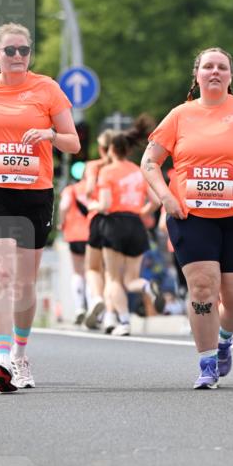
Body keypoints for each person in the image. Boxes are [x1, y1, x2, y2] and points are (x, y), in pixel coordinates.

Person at [141, 46, 233, 388]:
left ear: (231, 76)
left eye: (222, 67)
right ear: (197, 75)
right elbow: (149, 162)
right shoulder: (179, 115)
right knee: (203, 287)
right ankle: (207, 363)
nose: (215, 71)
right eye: (208, 66)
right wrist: (165, 197)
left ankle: (223, 338)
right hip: (191, 215)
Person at [0, 22, 79, 392]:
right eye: (10, 50)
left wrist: (50, 134)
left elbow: (73, 143)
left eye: (24, 50)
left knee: (25, 282)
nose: (18, 56)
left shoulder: (47, 88)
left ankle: (21, 354)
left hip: (33, 192)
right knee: (2, 275)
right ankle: (3, 359)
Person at [96, 115, 163, 336]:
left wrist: (94, 206)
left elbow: (105, 205)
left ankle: (124, 322)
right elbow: (156, 201)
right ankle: (146, 286)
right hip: (136, 224)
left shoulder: (107, 171)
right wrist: (140, 213)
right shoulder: (138, 170)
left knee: (113, 278)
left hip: (114, 225)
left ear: (111, 149)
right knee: (131, 279)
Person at [83, 129, 117, 331]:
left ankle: (96, 297)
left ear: (101, 148)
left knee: (93, 267)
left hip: (98, 218)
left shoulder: (94, 166)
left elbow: (88, 190)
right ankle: (110, 317)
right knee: (113, 275)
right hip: (120, 220)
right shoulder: (123, 167)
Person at [58, 167, 90, 324]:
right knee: (92, 271)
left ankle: (79, 307)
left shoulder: (70, 190)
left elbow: (64, 206)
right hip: (91, 234)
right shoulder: (93, 188)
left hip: (74, 235)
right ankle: (93, 307)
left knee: (77, 272)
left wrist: (61, 222)